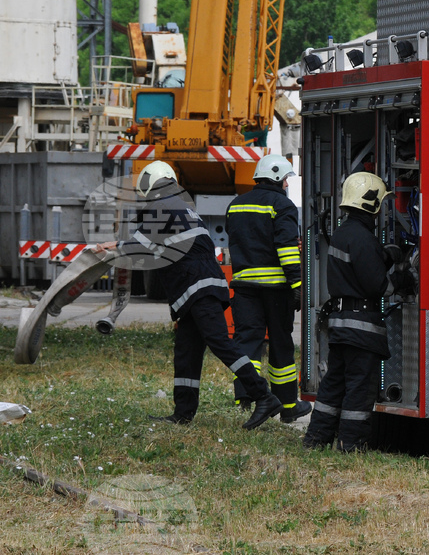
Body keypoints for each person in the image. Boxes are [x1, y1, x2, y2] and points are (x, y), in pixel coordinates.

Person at [98, 161, 281, 429]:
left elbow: (143, 246)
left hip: (199, 288)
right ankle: (183, 412)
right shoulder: (180, 204)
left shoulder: (164, 204)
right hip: (197, 289)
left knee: (220, 342)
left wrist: (114, 246)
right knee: (187, 350)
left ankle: (263, 396)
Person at [302, 171, 394, 452]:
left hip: (341, 326)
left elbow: (355, 269)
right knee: (359, 387)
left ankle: (316, 439)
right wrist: (400, 276)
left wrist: (383, 255)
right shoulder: (364, 239)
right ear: (371, 204)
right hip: (362, 328)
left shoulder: (343, 234)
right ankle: (350, 445)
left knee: (333, 386)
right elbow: (379, 286)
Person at [225, 154, 311, 423]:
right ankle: (287, 406)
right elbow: (286, 248)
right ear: (276, 178)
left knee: (246, 341)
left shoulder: (236, 204)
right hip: (276, 288)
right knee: (281, 346)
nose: (287, 184)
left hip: (244, 286)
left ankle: (247, 396)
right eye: (286, 179)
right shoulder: (282, 205)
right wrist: (297, 284)